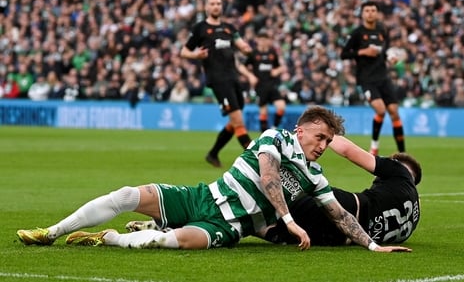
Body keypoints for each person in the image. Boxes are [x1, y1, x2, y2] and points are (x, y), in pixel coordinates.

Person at [16, 106, 410, 253]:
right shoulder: (274, 136)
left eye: (328, 140)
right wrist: (288, 220)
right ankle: (50, 232)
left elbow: (340, 215)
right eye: (320, 137)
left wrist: (374, 245)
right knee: (126, 194)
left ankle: (110, 239)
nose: (323, 146)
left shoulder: (315, 176)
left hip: (228, 225)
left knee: (176, 241)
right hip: (204, 196)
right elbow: (269, 175)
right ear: (302, 130)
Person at [262, 135, 421, 246]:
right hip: (342, 239)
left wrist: (324, 134)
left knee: (286, 195)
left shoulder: (399, 171)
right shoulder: (414, 217)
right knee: (277, 228)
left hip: (349, 208)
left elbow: (348, 150)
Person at [180, 0, 257, 167]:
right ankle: (256, 158)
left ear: (222, 7)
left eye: (218, 4)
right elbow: (184, 52)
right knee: (238, 120)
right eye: (212, 3)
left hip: (233, 78)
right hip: (218, 79)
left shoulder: (229, 28)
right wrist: (196, 55)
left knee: (235, 120)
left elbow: (242, 45)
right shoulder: (200, 28)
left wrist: (247, 50)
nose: (216, 6)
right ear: (206, 7)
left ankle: (213, 154)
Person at [341, 1, 406, 155]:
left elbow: (385, 51)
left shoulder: (382, 30)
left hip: (383, 77)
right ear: (363, 14)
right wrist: (362, 52)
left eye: (373, 10)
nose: (370, 13)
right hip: (367, 79)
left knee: (394, 112)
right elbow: (344, 54)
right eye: (367, 10)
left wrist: (391, 58)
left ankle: (403, 153)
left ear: (377, 13)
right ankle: (374, 146)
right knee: (381, 110)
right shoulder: (357, 33)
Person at [244, 31, 286, 132]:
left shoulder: (272, 53)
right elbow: (244, 66)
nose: (263, 42)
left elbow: (280, 67)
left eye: (265, 40)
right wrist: (250, 76)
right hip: (260, 86)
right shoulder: (253, 54)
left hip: (272, 85)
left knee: (281, 106)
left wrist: (277, 71)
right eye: (261, 39)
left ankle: (275, 127)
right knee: (263, 111)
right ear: (257, 41)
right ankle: (264, 135)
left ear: (268, 41)